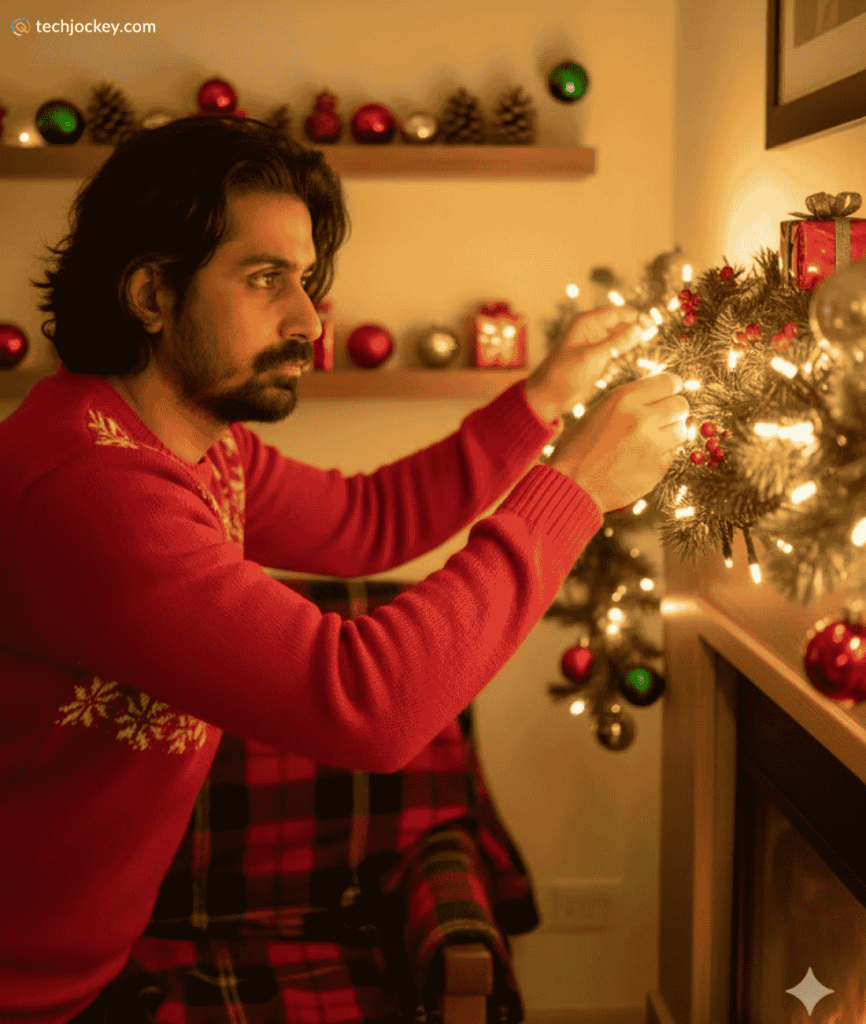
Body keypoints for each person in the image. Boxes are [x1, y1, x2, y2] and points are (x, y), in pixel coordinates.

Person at [0, 115, 689, 1024]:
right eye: (265, 279)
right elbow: (366, 702)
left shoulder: (194, 446)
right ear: (151, 294)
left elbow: (373, 521)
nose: (310, 319)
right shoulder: (95, 492)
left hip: (82, 972)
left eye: (309, 280)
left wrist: (544, 400)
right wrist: (574, 491)